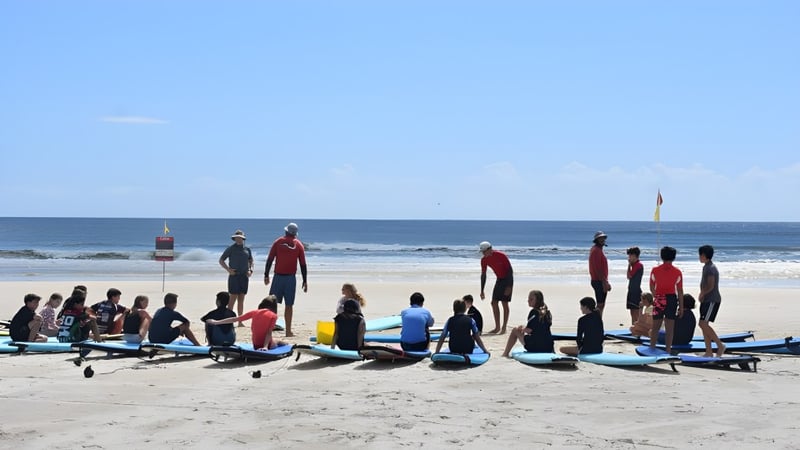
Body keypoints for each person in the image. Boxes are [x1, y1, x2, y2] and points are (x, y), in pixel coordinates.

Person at [263, 222, 307, 337]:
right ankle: (288, 331)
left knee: (272, 303)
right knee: (289, 305)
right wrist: (305, 280)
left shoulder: (278, 242)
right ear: (295, 234)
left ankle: (269, 329)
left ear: (286, 231)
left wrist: (266, 275)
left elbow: (270, 259)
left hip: (278, 277)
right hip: (290, 279)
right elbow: (303, 264)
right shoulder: (298, 245)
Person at [207, 296, 287, 350]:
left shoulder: (254, 312)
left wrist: (217, 322)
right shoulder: (273, 316)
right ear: (274, 307)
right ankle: (288, 345)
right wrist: (265, 347)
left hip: (255, 345)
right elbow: (268, 333)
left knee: (275, 340)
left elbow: (236, 319)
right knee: (278, 342)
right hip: (268, 345)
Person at [649, 246, 684, 354]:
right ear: (673, 257)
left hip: (659, 297)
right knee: (670, 328)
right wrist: (681, 307)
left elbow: (651, 286)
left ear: (662, 256)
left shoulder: (655, 270)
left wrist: (656, 296)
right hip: (671, 299)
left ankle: (652, 348)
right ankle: (668, 350)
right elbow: (680, 291)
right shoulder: (677, 272)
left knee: (655, 327)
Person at [501, 290, 554, 357]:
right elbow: (540, 328)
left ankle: (505, 354)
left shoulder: (534, 312)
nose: (528, 301)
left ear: (538, 300)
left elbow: (529, 330)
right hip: (548, 347)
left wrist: (522, 328)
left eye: (531, 299)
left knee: (515, 330)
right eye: (528, 299)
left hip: (536, 347)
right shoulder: (547, 312)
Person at [219, 229, 254, 327]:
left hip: (244, 277)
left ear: (243, 239)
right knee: (232, 299)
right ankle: (228, 321)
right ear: (234, 238)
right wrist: (228, 270)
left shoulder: (247, 249)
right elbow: (221, 260)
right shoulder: (231, 248)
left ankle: (240, 321)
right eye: (237, 238)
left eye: (241, 238)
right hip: (234, 276)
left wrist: (250, 270)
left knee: (241, 299)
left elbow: (251, 260)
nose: (239, 239)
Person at [479, 241, 514, 334]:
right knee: (494, 303)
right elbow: (483, 275)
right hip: (499, 280)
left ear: (490, 249)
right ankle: (497, 327)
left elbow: (510, 271)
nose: (483, 253)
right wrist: (482, 290)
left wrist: (509, 286)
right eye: (482, 252)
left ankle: (504, 327)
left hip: (507, 279)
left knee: (504, 303)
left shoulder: (501, 255)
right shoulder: (484, 260)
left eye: (484, 251)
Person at [698, 245, 726, 357]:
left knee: (703, 324)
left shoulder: (710, 268)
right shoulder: (706, 267)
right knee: (704, 325)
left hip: (712, 300)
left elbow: (711, 285)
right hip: (707, 300)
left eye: (700, 255)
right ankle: (708, 351)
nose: (699, 257)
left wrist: (702, 293)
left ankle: (720, 345)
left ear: (704, 255)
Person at [589, 231, 611, 317]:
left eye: (603, 238)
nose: (602, 240)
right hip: (598, 280)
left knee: (601, 305)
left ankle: (598, 323)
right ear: (596, 240)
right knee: (600, 305)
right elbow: (598, 269)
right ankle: (596, 324)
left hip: (599, 280)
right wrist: (604, 282)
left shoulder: (597, 250)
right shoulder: (596, 250)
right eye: (600, 238)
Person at [626, 246, 643, 325]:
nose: (629, 257)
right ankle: (634, 327)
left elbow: (629, 276)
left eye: (630, 255)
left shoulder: (638, 265)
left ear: (634, 255)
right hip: (632, 290)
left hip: (635, 291)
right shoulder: (635, 265)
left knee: (636, 312)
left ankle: (637, 328)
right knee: (632, 311)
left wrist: (629, 265)